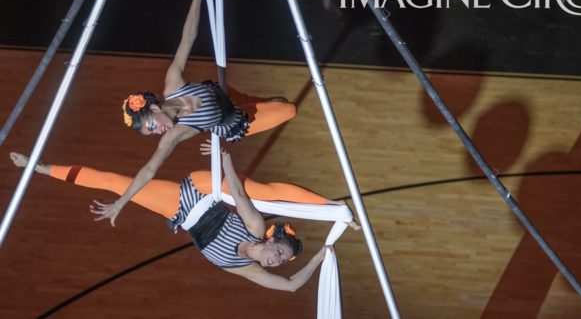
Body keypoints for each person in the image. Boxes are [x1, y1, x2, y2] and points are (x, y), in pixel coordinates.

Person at [99, 0, 296, 226]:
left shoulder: (173, 83)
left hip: (227, 94)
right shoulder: (174, 135)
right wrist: (121, 202)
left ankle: (266, 100)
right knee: (288, 109)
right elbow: (149, 170)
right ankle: (267, 105)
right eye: (153, 133)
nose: (158, 131)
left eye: (151, 125)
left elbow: (188, 36)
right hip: (238, 121)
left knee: (273, 100)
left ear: (155, 107)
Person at [10, 151, 357, 291]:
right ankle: (39, 165)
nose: (274, 261)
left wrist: (321, 255)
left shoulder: (245, 269)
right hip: (203, 189)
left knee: (116, 183)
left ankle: (38, 169)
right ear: (270, 240)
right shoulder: (254, 227)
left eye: (278, 262)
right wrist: (225, 159)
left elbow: (292, 286)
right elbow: (237, 192)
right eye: (278, 253)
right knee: (262, 189)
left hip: (178, 211)